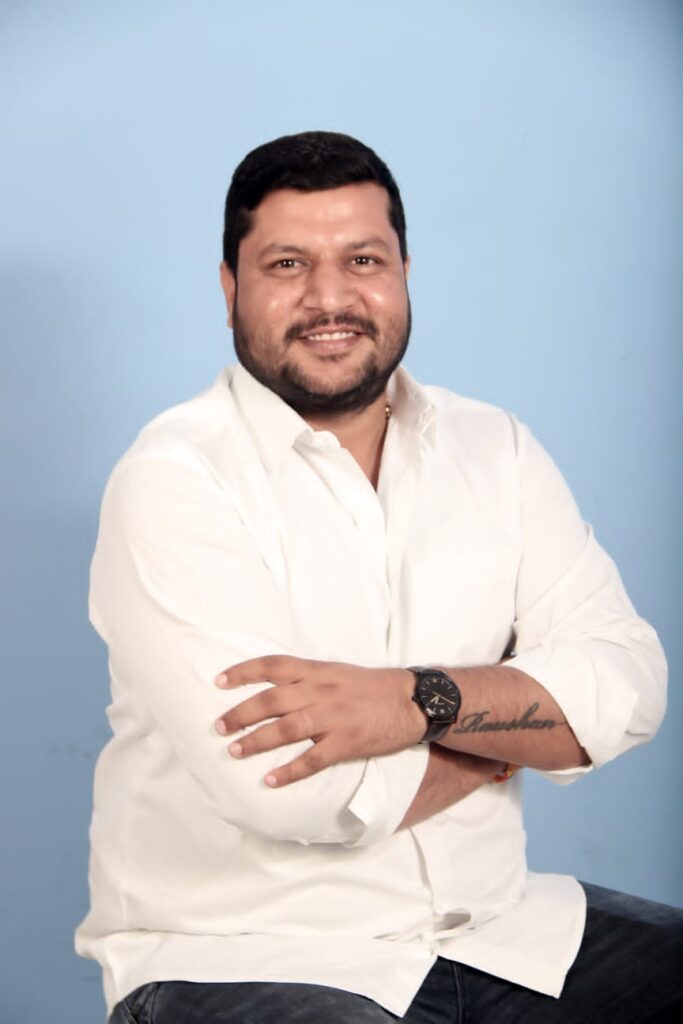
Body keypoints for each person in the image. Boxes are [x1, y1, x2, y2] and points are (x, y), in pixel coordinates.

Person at [76, 131, 681, 1023]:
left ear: (403, 273)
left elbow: (630, 687)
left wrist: (412, 700)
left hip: (497, 928)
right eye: (287, 264)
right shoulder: (174, 480)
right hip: (243, 953)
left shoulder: (496, 448)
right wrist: (511, 731)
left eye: (362, 260)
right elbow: (294, 792)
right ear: (229, 287)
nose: (330, 298)